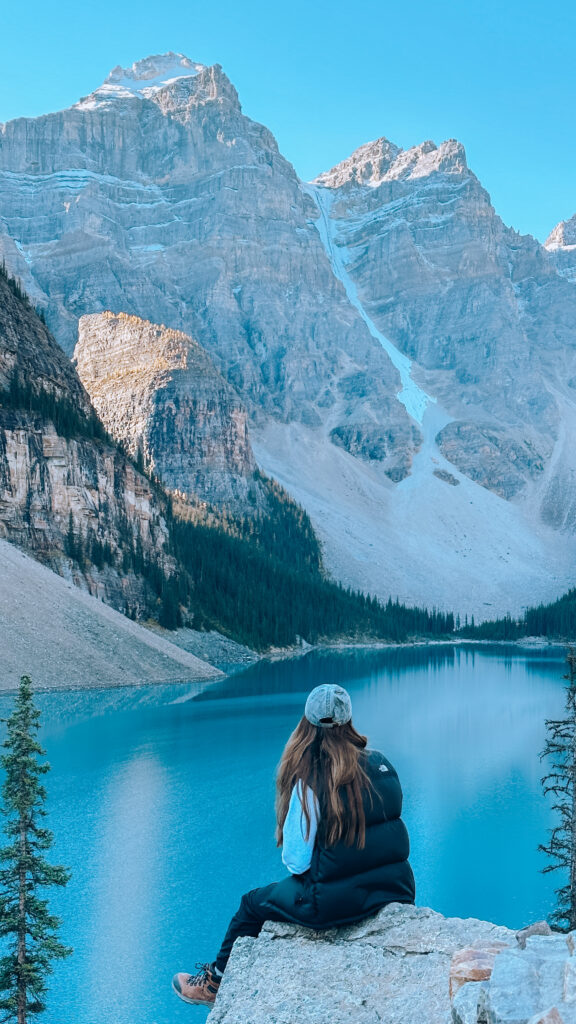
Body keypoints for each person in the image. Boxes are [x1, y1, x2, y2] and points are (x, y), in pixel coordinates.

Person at [172, 683, 415, 1007]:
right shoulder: (382, 764)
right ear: (348, 722)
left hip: (333, 904)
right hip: (396, 890)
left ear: (307, 726)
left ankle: (214, 984)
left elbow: (297, 863)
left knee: (250, 905)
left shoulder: (311, 780)